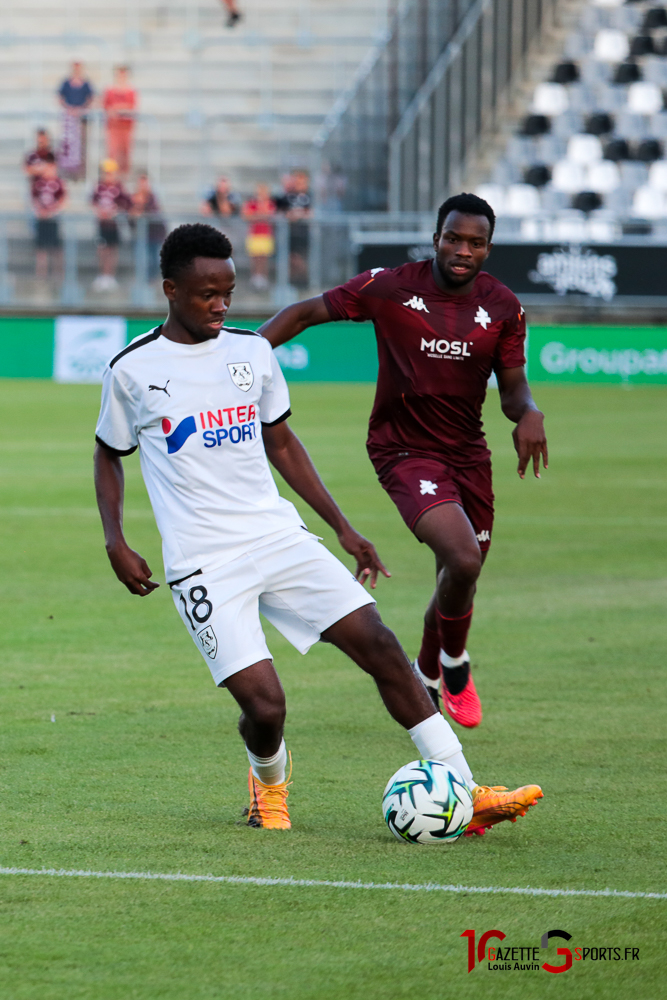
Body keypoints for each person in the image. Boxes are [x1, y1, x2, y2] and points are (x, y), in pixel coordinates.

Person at [93, 222, 543, 835]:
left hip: (278, 538)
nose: (222, 304)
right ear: (171, 290)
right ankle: (268, 783)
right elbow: (107, 455)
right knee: (266, 706)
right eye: (207, 294)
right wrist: (115, 540)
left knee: (382, 647)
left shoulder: (251, 353)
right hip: (203, 563)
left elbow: (282, 443)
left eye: (228, 291)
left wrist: (344, 529)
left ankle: (462, 787)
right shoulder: (132, 370)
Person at [260, 193, 549, 729]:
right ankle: (455, 665)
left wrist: (528, 412)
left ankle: (427, 667)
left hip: (468, 453)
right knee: (462, 559)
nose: (463, 250)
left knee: (458, 574)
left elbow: (512, 390)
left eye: (476, 243)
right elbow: (305, 312)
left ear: (489, 248)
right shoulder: (391, 286)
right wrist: (245, 357)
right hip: (403, 450)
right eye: (453, 239)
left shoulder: (504, 306)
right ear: (436, 237)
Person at [91, 159, 132, 291]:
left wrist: (115, 211)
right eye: (106, 173)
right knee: (102, 250)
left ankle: (110, 276)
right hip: (102, 224)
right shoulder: (99, 187)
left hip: (114, 225)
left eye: (110, 173)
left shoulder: (119, 188)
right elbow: (93, 202)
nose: (108, 175)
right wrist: (99, 212)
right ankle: (102, 275)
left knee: (112, 251)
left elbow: (127, 205)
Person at [274, 170, 312, 287]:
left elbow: (311, 213)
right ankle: (291, 283)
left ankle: (303, 281)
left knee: (302, 258)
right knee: (291, 258)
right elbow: (280, 211)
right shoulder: (288, 197)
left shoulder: (310, 196)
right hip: (290, 232)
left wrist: (299, 215)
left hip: (303, 232)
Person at [58, 61, 94, 181]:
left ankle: (81, 175)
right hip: (69, 119)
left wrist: (81, 109)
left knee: (81, 147)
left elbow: (91, 98)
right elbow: (60, 97)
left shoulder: (85, 83)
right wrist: (69, 108)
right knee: (68, 147)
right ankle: (67, 175)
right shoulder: (66, 83)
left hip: (81, 119)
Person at [31, 161, 67, 280]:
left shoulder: (58, 183)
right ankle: (41, 275)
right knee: (41, 249)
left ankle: (58, 275)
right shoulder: (38, 183)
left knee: (55, 248)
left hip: (52, 219)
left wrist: (52, 211)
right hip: (42, 219)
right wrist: (41, 211)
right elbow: (34, 199)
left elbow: (63, 200)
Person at [130, 172, 166, 280]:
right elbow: (131, 218)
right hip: (141, 235)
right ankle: (142, 280)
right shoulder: (133, 199)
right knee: (141, 259)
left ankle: (150, 280)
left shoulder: (152, 198)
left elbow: (153, 213)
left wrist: (141, 207)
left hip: (154, 235)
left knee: (153, 260)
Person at [103, 66, 137, 176]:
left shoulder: (130, 91)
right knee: (112, 152)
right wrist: (119, 109)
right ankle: (110, 176)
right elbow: (106, 107)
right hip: (113, 126)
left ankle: (124, 176)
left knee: (125, 152)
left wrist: (117, 108)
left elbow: (131, 107)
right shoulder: (110, 91)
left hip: (126, 126)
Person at [242, 182, 276, 291]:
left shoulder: (270, 203)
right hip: (254, 234)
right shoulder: (252, 203)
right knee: (255, 257)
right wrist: (260, 215)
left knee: (264, 257)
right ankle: (255, 277)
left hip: (266, 235)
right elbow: (246, 215)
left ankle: (263, 277)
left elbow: (270, 215)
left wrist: (258, 215)